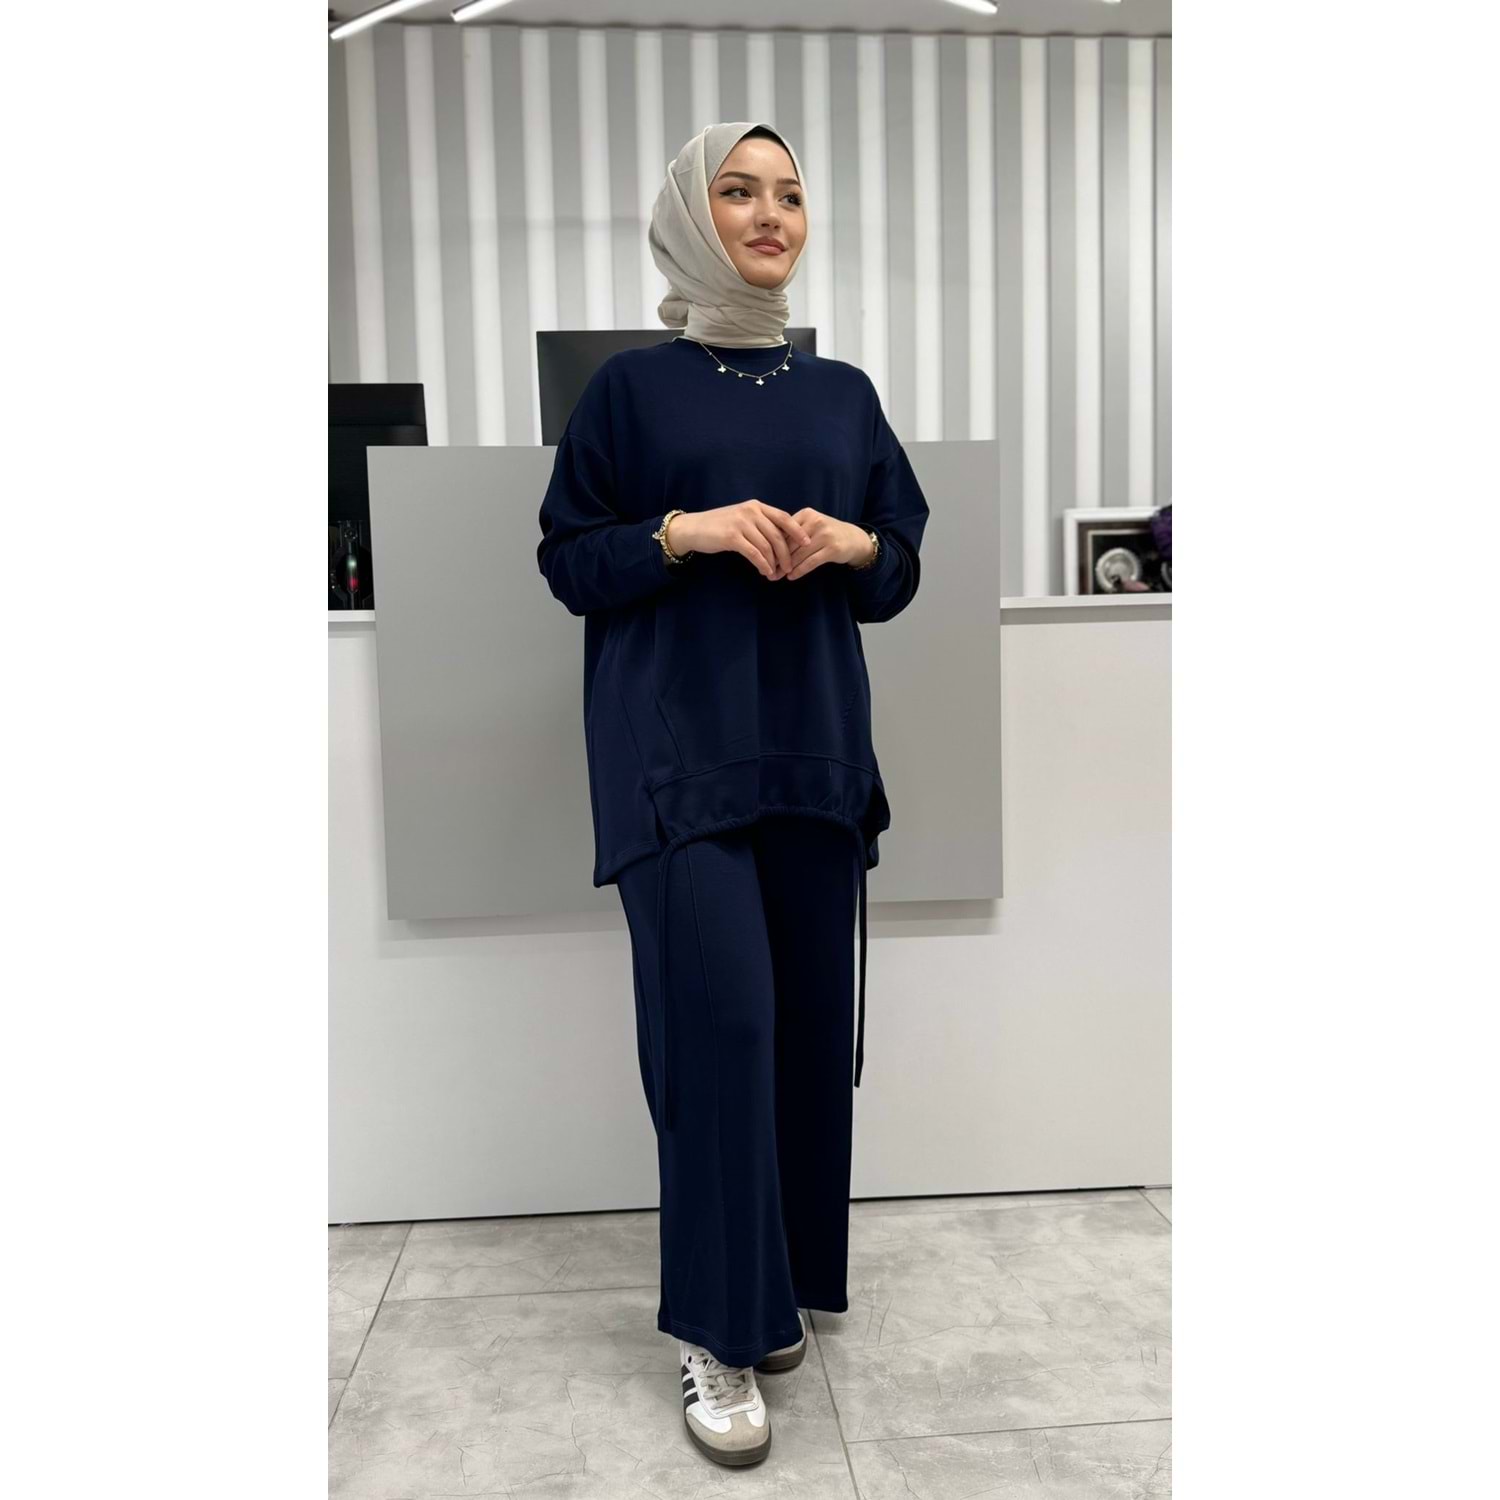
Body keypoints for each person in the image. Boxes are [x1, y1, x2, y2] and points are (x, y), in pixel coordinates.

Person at [535, 121, 929, 1468]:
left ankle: (775, 1294)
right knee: (721, 1034)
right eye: (739, 191)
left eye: (791, 194)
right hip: (675, 763)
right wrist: (683, 531)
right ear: (689, 219)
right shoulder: (629, 394)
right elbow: (569, 561)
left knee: (807, 1035)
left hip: (812, 756)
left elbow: (899, 566)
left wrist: (856, 542)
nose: (770, 214)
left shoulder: (843, 396)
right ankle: (714, 1328)